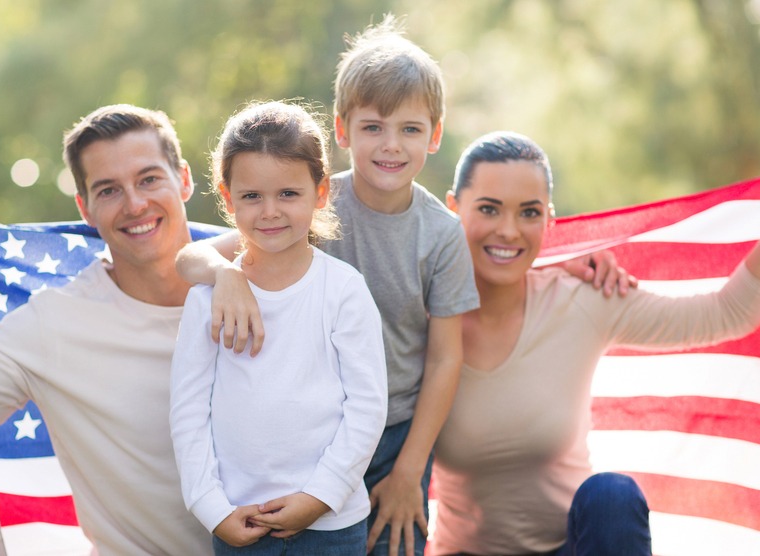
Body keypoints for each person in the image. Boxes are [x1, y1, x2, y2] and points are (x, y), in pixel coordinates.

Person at [174, 16, 630, 556]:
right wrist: (225, 275)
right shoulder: (306, 203)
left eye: (410, 129)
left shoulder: (440, 235)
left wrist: (411, 470)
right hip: (313, 434)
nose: (390, 145)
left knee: (395, 542)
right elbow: (192, 257)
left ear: (434, 135)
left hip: (396, 437)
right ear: (343, 131)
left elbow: (443, 360)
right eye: (373, 127)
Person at [0, 104, 212, 555]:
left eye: (149, 179)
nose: (135, 204)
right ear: (85, 208)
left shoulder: (263, 279)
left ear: (185, 179)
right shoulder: (53, 325)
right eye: (109, 190)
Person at [430, 131, 760, 556]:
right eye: (489, 209)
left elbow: (728, 313)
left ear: (549, 221)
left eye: (528, 213)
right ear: (453, 209)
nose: (509, 230)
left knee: (612, 495)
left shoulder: (582, 298)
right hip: (462, 552)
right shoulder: (421, 316)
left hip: (572, 547)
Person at [170, 100, 388, 555]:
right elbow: (188, 411)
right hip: (238, 521)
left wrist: (319, 497)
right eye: (251, 196)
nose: (270, 211)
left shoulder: (344, 290)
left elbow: (366, 409)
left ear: (321, 192)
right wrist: (211, 507)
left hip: (332, 523)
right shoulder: (207, 298)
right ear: (228, 199)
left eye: (288, 193)